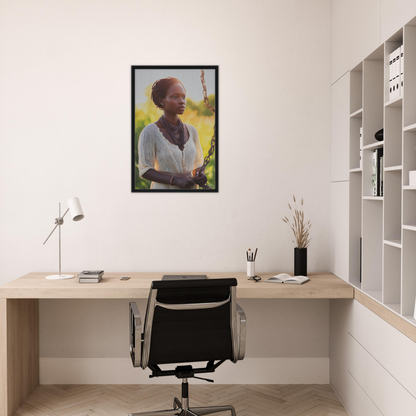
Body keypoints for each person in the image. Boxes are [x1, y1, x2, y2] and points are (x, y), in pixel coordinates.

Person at [138, 77, 208, 189]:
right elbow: (145, 170)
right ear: (162, 101)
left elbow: (198, 163)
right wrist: (174, 180)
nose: (181, 101)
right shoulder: (150, 132)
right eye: (175, 97)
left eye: (183, 97)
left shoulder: (192, 131)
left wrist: (199, 174)